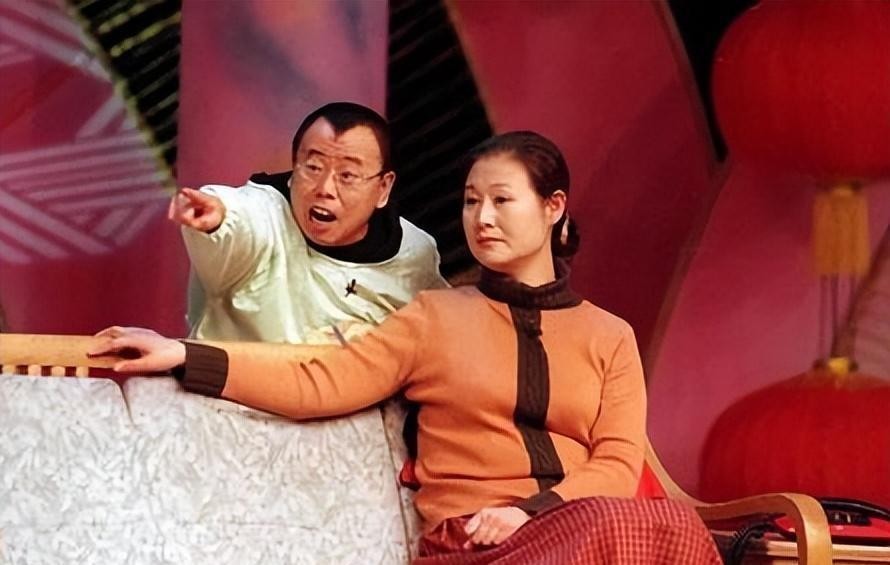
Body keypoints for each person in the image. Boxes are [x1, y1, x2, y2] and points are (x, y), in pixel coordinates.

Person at [92, 132, 721, 563]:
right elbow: (321, 381)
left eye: (502, 201)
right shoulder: (434, 317)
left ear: (553, 207)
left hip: (577, 528)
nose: (482, 218)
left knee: (667, 524)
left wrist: (532, 511)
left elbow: (616, 464)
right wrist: (187, 356)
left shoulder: (609, 335)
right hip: (474, 544)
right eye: (471, 201)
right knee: (622, 528)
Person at [170, 102, 448, 343]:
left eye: (347, 175)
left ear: (383, 188)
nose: (325, 188)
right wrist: (218, 220)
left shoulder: (414, 253)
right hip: (229, 386)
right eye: (313, 167)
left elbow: (439, 330)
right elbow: (241, 218)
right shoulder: (266, 214)